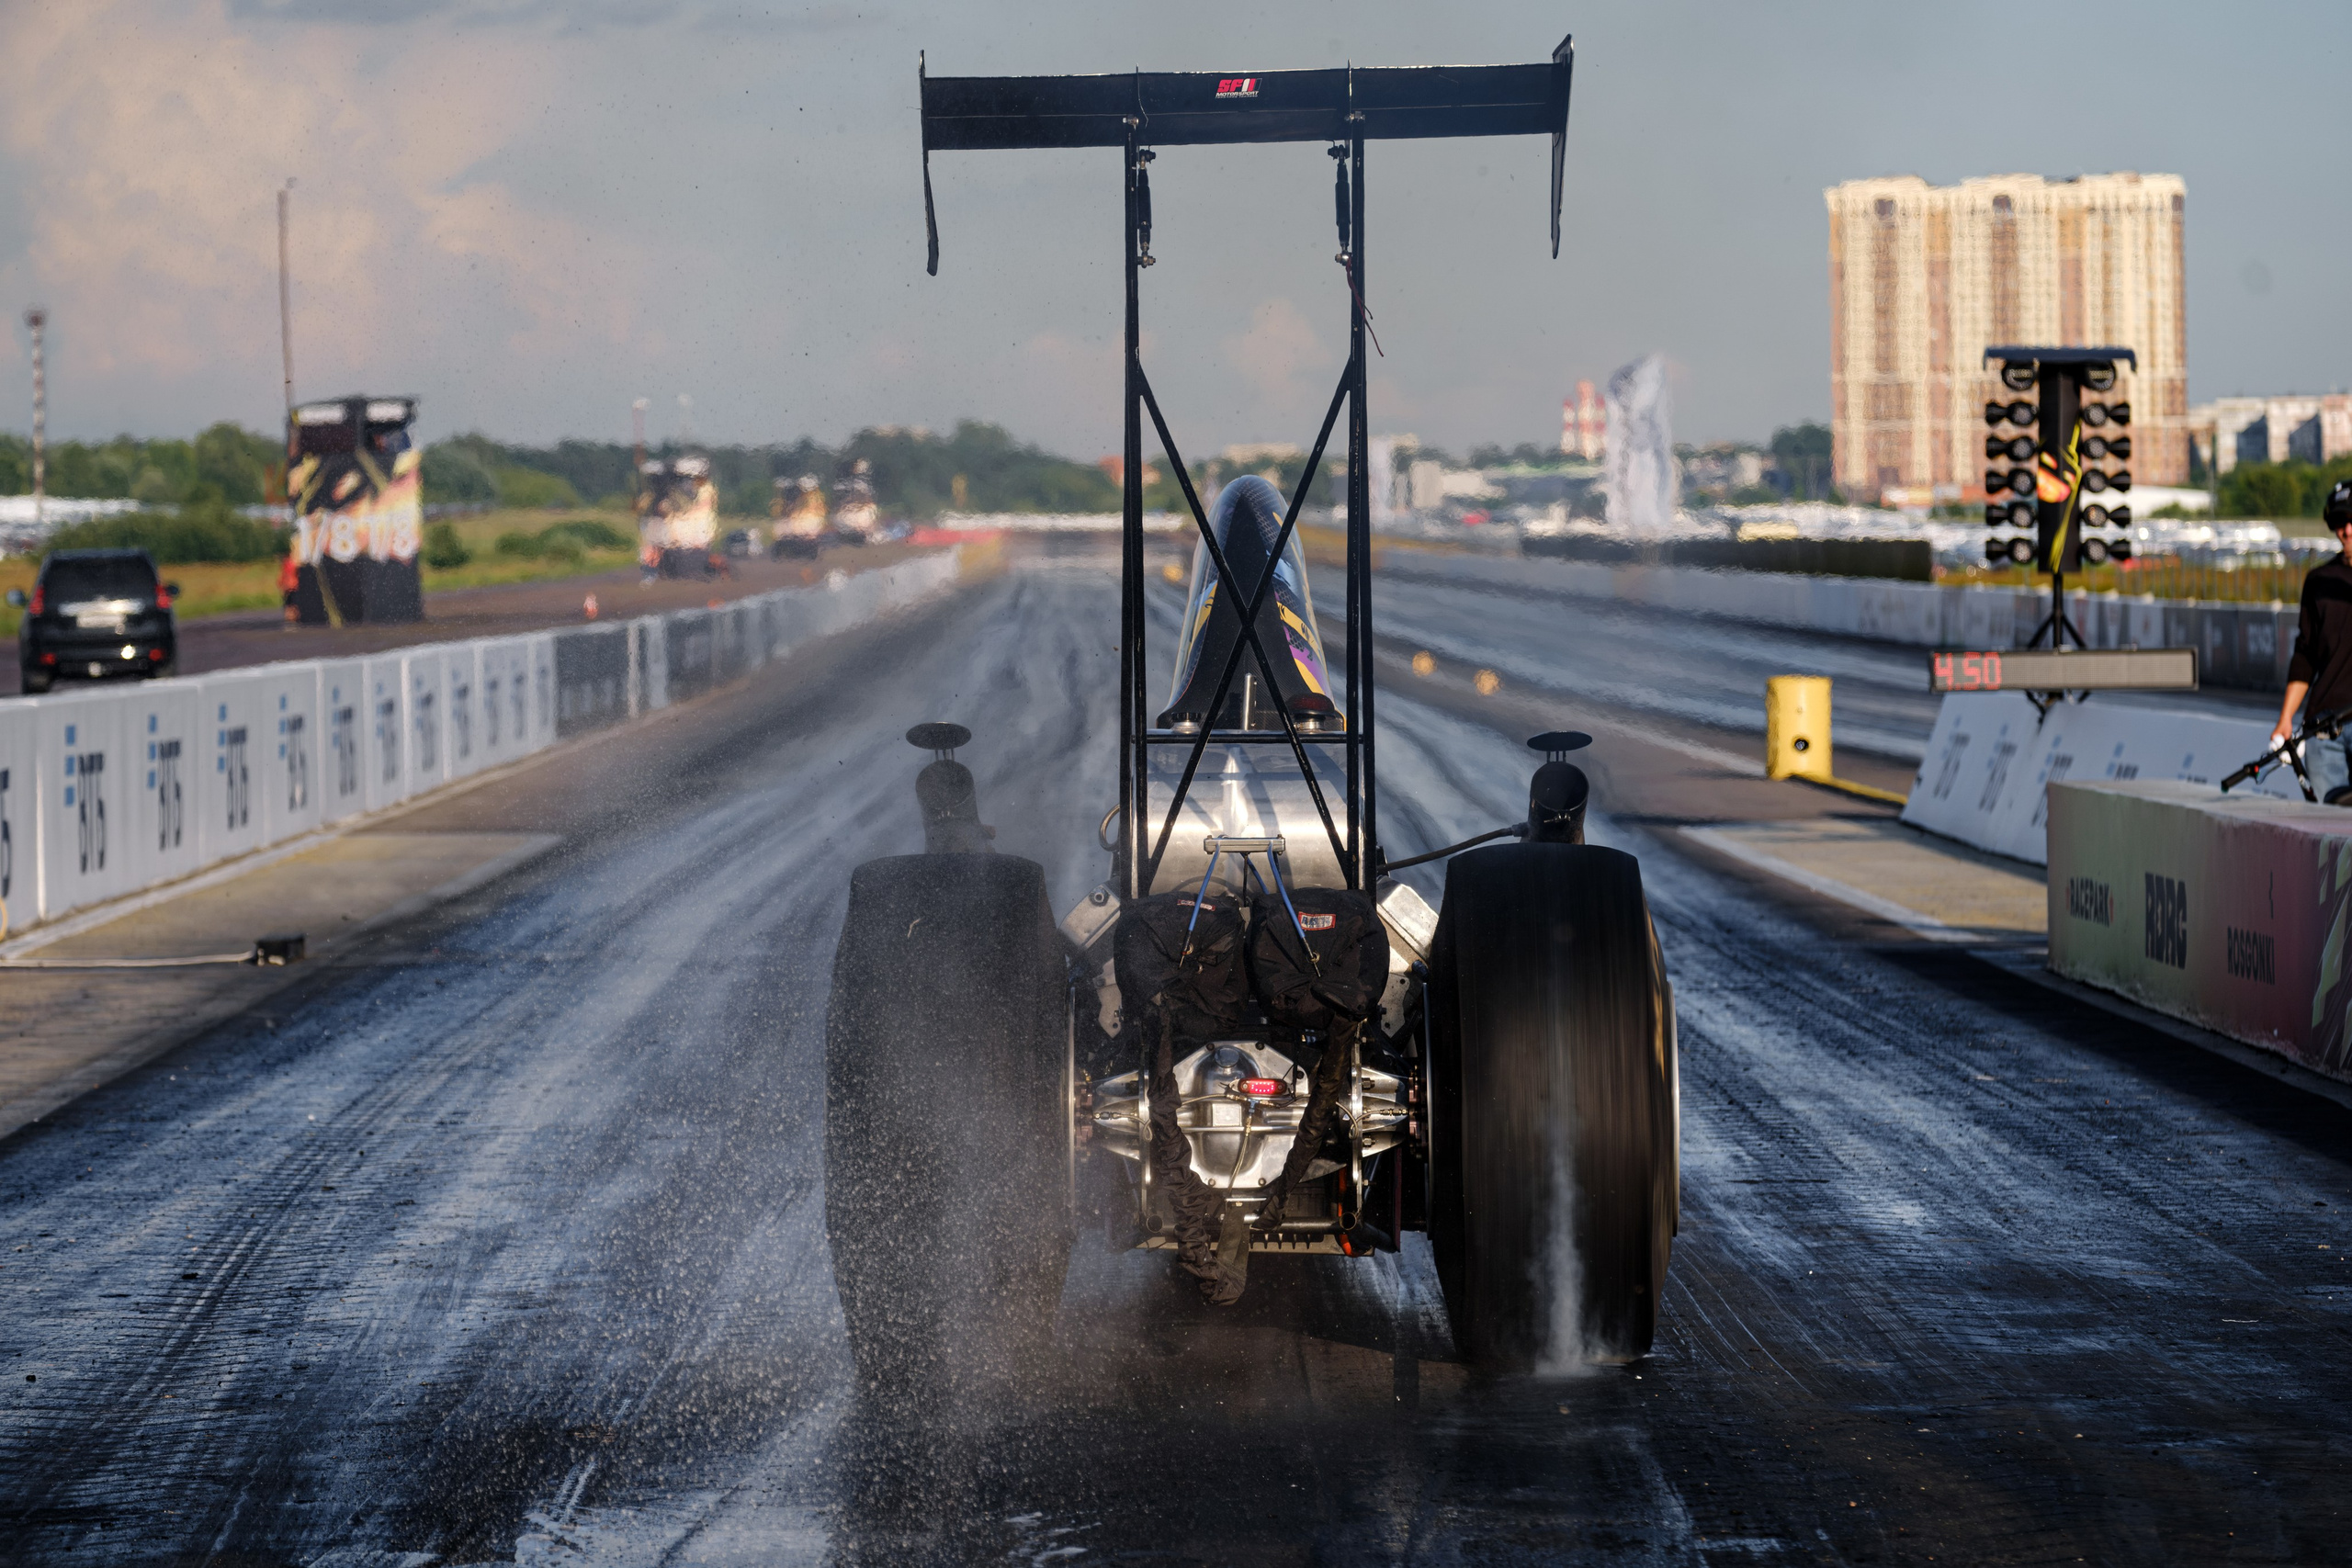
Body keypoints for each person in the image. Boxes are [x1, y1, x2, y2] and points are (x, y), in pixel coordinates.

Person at [2270, 479, 2352, 800]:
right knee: (2330, 824)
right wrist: (2285, 720)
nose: (2346, 531)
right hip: (2324, 728)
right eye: (2339, 523)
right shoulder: (2319, 581)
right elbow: (2305, 656)